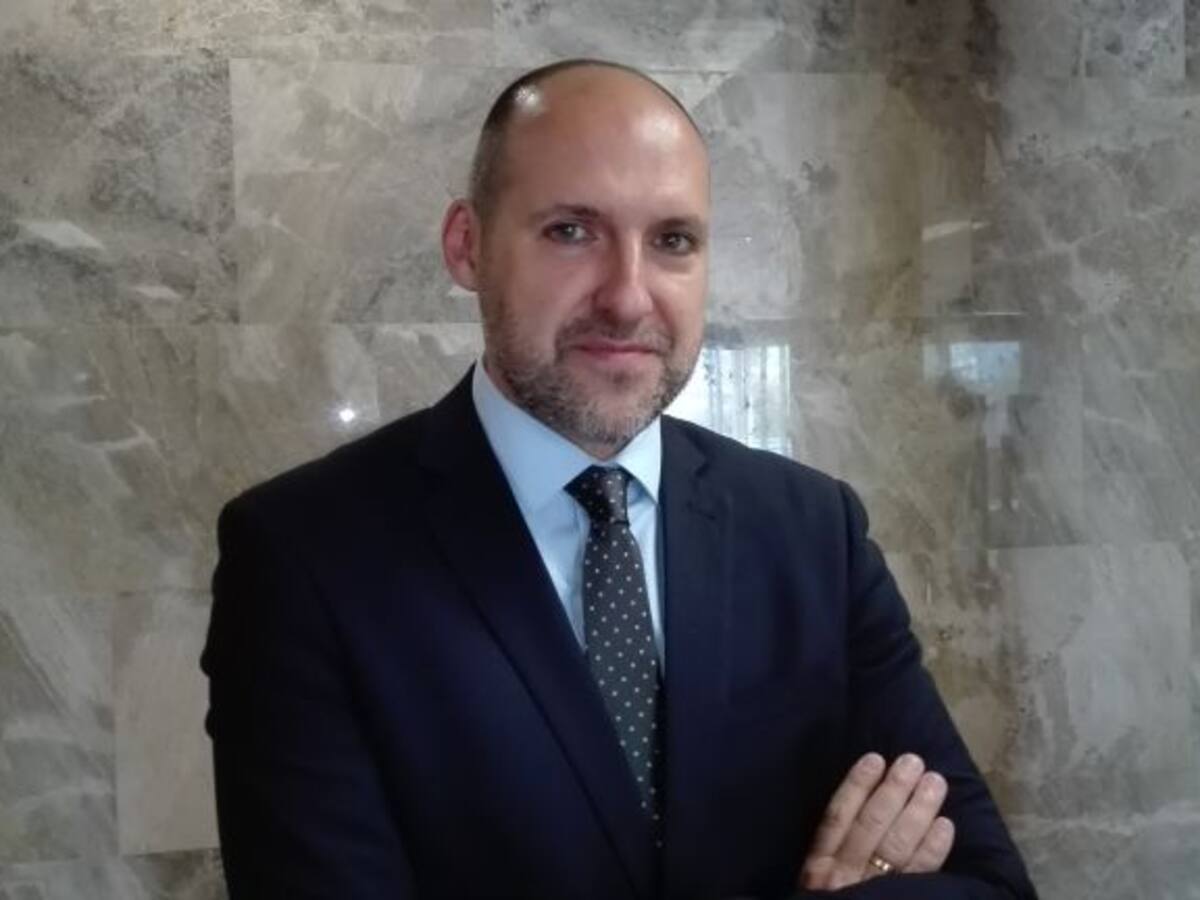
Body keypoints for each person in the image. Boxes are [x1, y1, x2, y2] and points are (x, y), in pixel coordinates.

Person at [200, 59, 1037, 900]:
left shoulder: (815, 530)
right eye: (572, 231)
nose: (629, 298)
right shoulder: (303, 556)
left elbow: (988, 885)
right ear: (467, 246)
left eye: (672, 241)